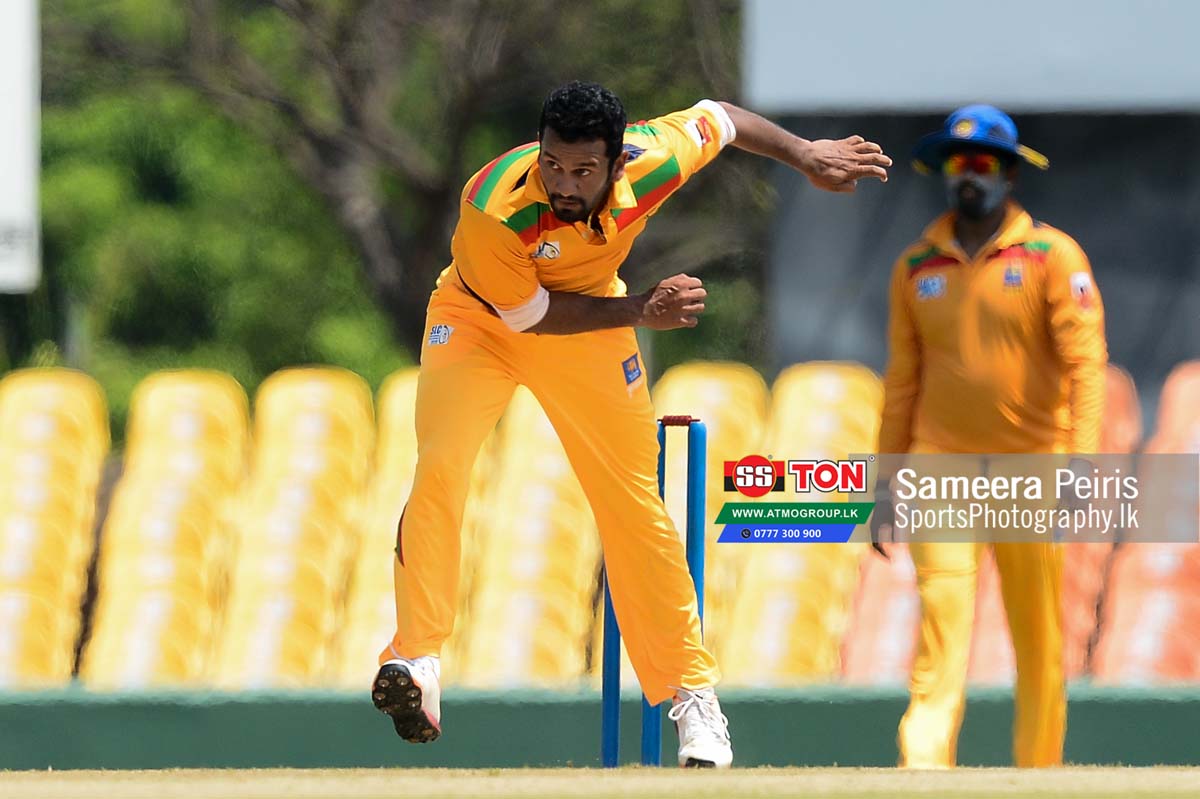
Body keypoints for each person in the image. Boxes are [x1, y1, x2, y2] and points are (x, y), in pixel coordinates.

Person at [371, 80, 891, 768]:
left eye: (583, 170)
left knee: (632, 506)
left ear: (619, 164)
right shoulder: (494, 205)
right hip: (478, 320)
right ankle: (417, 657)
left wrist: (804, 154)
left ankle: (692, 697)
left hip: (589, 324)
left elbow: (720, 119)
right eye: (552, 164)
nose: (563, 184)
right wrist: (642, 310)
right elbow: (528, 317)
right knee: (441, 467)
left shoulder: (655, 156)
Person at [870, 105, 1107, 768]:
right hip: (940, 468)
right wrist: (884, 482)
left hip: (1032, 466)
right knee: (940, 630)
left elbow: (1086, 366)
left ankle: (1039, 771)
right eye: (956, 163)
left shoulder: (1052, 256)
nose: (967, 175)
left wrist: (1084, 465)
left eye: (981, 164)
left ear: (1009, 175)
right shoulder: (916, 265)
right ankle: (923, 770)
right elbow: (901, 381)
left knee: (1039, 638)